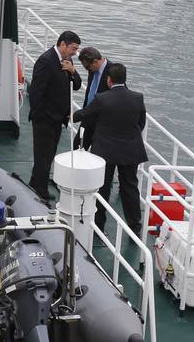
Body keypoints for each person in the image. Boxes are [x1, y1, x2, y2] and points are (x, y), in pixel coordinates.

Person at [73, 62, 148, 232]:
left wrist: (69, 116)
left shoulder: (102, 98)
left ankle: (99, 225)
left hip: (105, 151)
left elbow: (84, 113)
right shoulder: (138, 97)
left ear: (109, 80)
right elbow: (140, 123)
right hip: (130, 150)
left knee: (103, 187)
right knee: (130, 187)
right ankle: (135, 226)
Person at [28, 30, 82, 204]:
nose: (75, 52)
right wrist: (42, 116)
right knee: (42, 156)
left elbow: (77, 86)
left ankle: (37, 186)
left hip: (58, 119)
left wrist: (73, 71)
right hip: (45, 120)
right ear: (63, 44)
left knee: (48, 155)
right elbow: (36, 92)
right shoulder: (46, 60)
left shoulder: (67, 61)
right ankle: (39, 190)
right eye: (73, 48)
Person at [75, 47, 108, 151]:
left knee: (97, 154)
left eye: (87, 67)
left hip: (101, 122)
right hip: (87, 117)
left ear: (95, 61)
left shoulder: (113, 72)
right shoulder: (92, 70)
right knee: (77, 148)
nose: (87, 70)